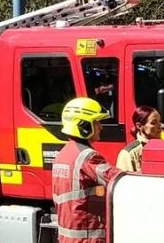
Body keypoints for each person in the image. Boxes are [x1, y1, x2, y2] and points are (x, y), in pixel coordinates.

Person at [51, 97, 119, 243]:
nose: (101, 127)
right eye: (97, 122)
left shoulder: (62, 154)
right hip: (88, 239)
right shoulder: (88, 157)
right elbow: (117, 180)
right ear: (84, 125)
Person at [116, 105, 164, 172]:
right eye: (153, 123)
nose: (159, 126)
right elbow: (125, 180)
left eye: (160, 122)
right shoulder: (129, 153)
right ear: (139, 126)